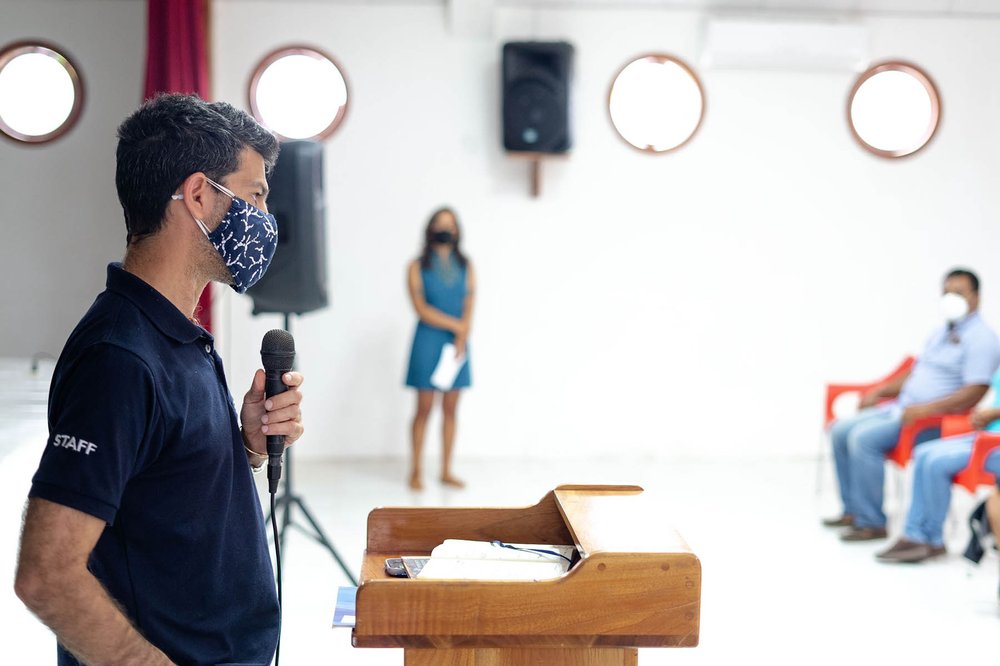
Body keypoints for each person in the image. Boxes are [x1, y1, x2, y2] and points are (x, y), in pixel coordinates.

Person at [14, 93, 304, 665]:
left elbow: (161, 490)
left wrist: (243, 446)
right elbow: (46, 574)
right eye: (255, 196)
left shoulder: (174, 333)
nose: (266, 220)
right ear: (199, 195)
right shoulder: (119, 358)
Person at [824, 269, 1000, 542]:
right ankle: (854, 511)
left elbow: (975, 391)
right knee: (839, 429)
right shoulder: (941, 331)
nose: (951, 298)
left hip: (930, 420)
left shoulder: (983, 339)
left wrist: (927, 410)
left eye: (959, 293)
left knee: (862, 439)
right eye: (947, 292)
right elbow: (917, 371)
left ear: (976, 297)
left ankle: (873, 522)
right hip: (902, 409)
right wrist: (881, 391)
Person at [875, 372, 1000, 563]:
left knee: (937, 463)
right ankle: (914, 533)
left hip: (994, 443)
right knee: (924, 452)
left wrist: (995, 412)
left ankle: (932, 539)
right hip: (988, 433)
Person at [405, 207, 476, 491]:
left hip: (456, 344)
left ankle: (446, 470)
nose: (445, 229)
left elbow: (470, 303)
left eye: (450, 224)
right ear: (430, 228)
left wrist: (462, 335)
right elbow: (421, 308)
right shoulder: (416, 266)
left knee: (451, 409)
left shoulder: (466, 265)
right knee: (424, 408)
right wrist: (458, 326)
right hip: (428, 341)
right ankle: (416, 471)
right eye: (440, 224)